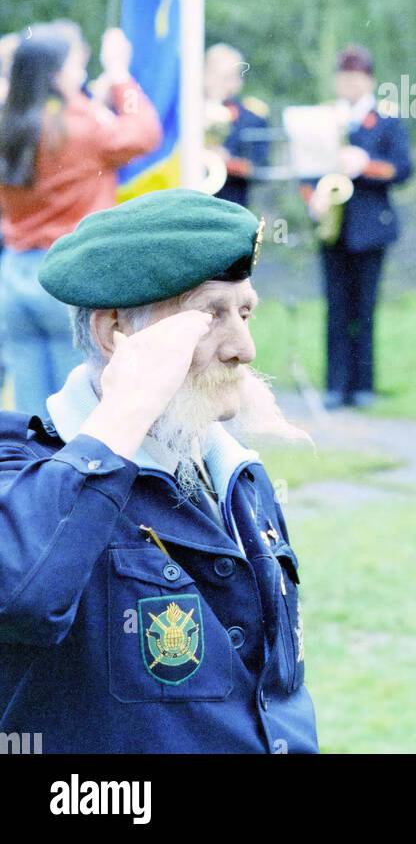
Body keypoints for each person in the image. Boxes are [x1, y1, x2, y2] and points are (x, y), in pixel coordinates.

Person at [0, 188, 317, 754]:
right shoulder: (21, 467)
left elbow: (278, 692)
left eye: (244, 312)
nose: (242, 348)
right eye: (209, 315)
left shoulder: (232, 469)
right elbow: (26, 595)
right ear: (114, 332)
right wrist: (127, 407)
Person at [0, 24, 161, 416]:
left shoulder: (9, 124)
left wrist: (90, 102)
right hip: (68, 274)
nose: (81, 73)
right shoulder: (82, 127)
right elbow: (145, 132)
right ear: (56, 74)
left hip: (15, 276)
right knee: (81, 411)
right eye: (76, 64)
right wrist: (120, 77)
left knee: (32, 417)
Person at [302, 45, 412, 409]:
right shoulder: (324, 119)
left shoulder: (387, 121)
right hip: (333, 226)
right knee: (335, 307)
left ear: (369, 80)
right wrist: (312, 200)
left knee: (364, 309)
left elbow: (402, 169)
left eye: (356, 77)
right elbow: (307, 166)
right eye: (343, 77)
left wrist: (365, 164)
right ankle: (335, 385)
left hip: (369, 226)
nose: (348, 83)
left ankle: (363, 385)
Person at [204, 42, 270, 207]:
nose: (227, 84)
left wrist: (225, 161)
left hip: (231, 201)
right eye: (219, 75)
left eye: (232, 77)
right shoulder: (186, 112)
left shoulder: (251, 118)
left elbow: (257, 166)